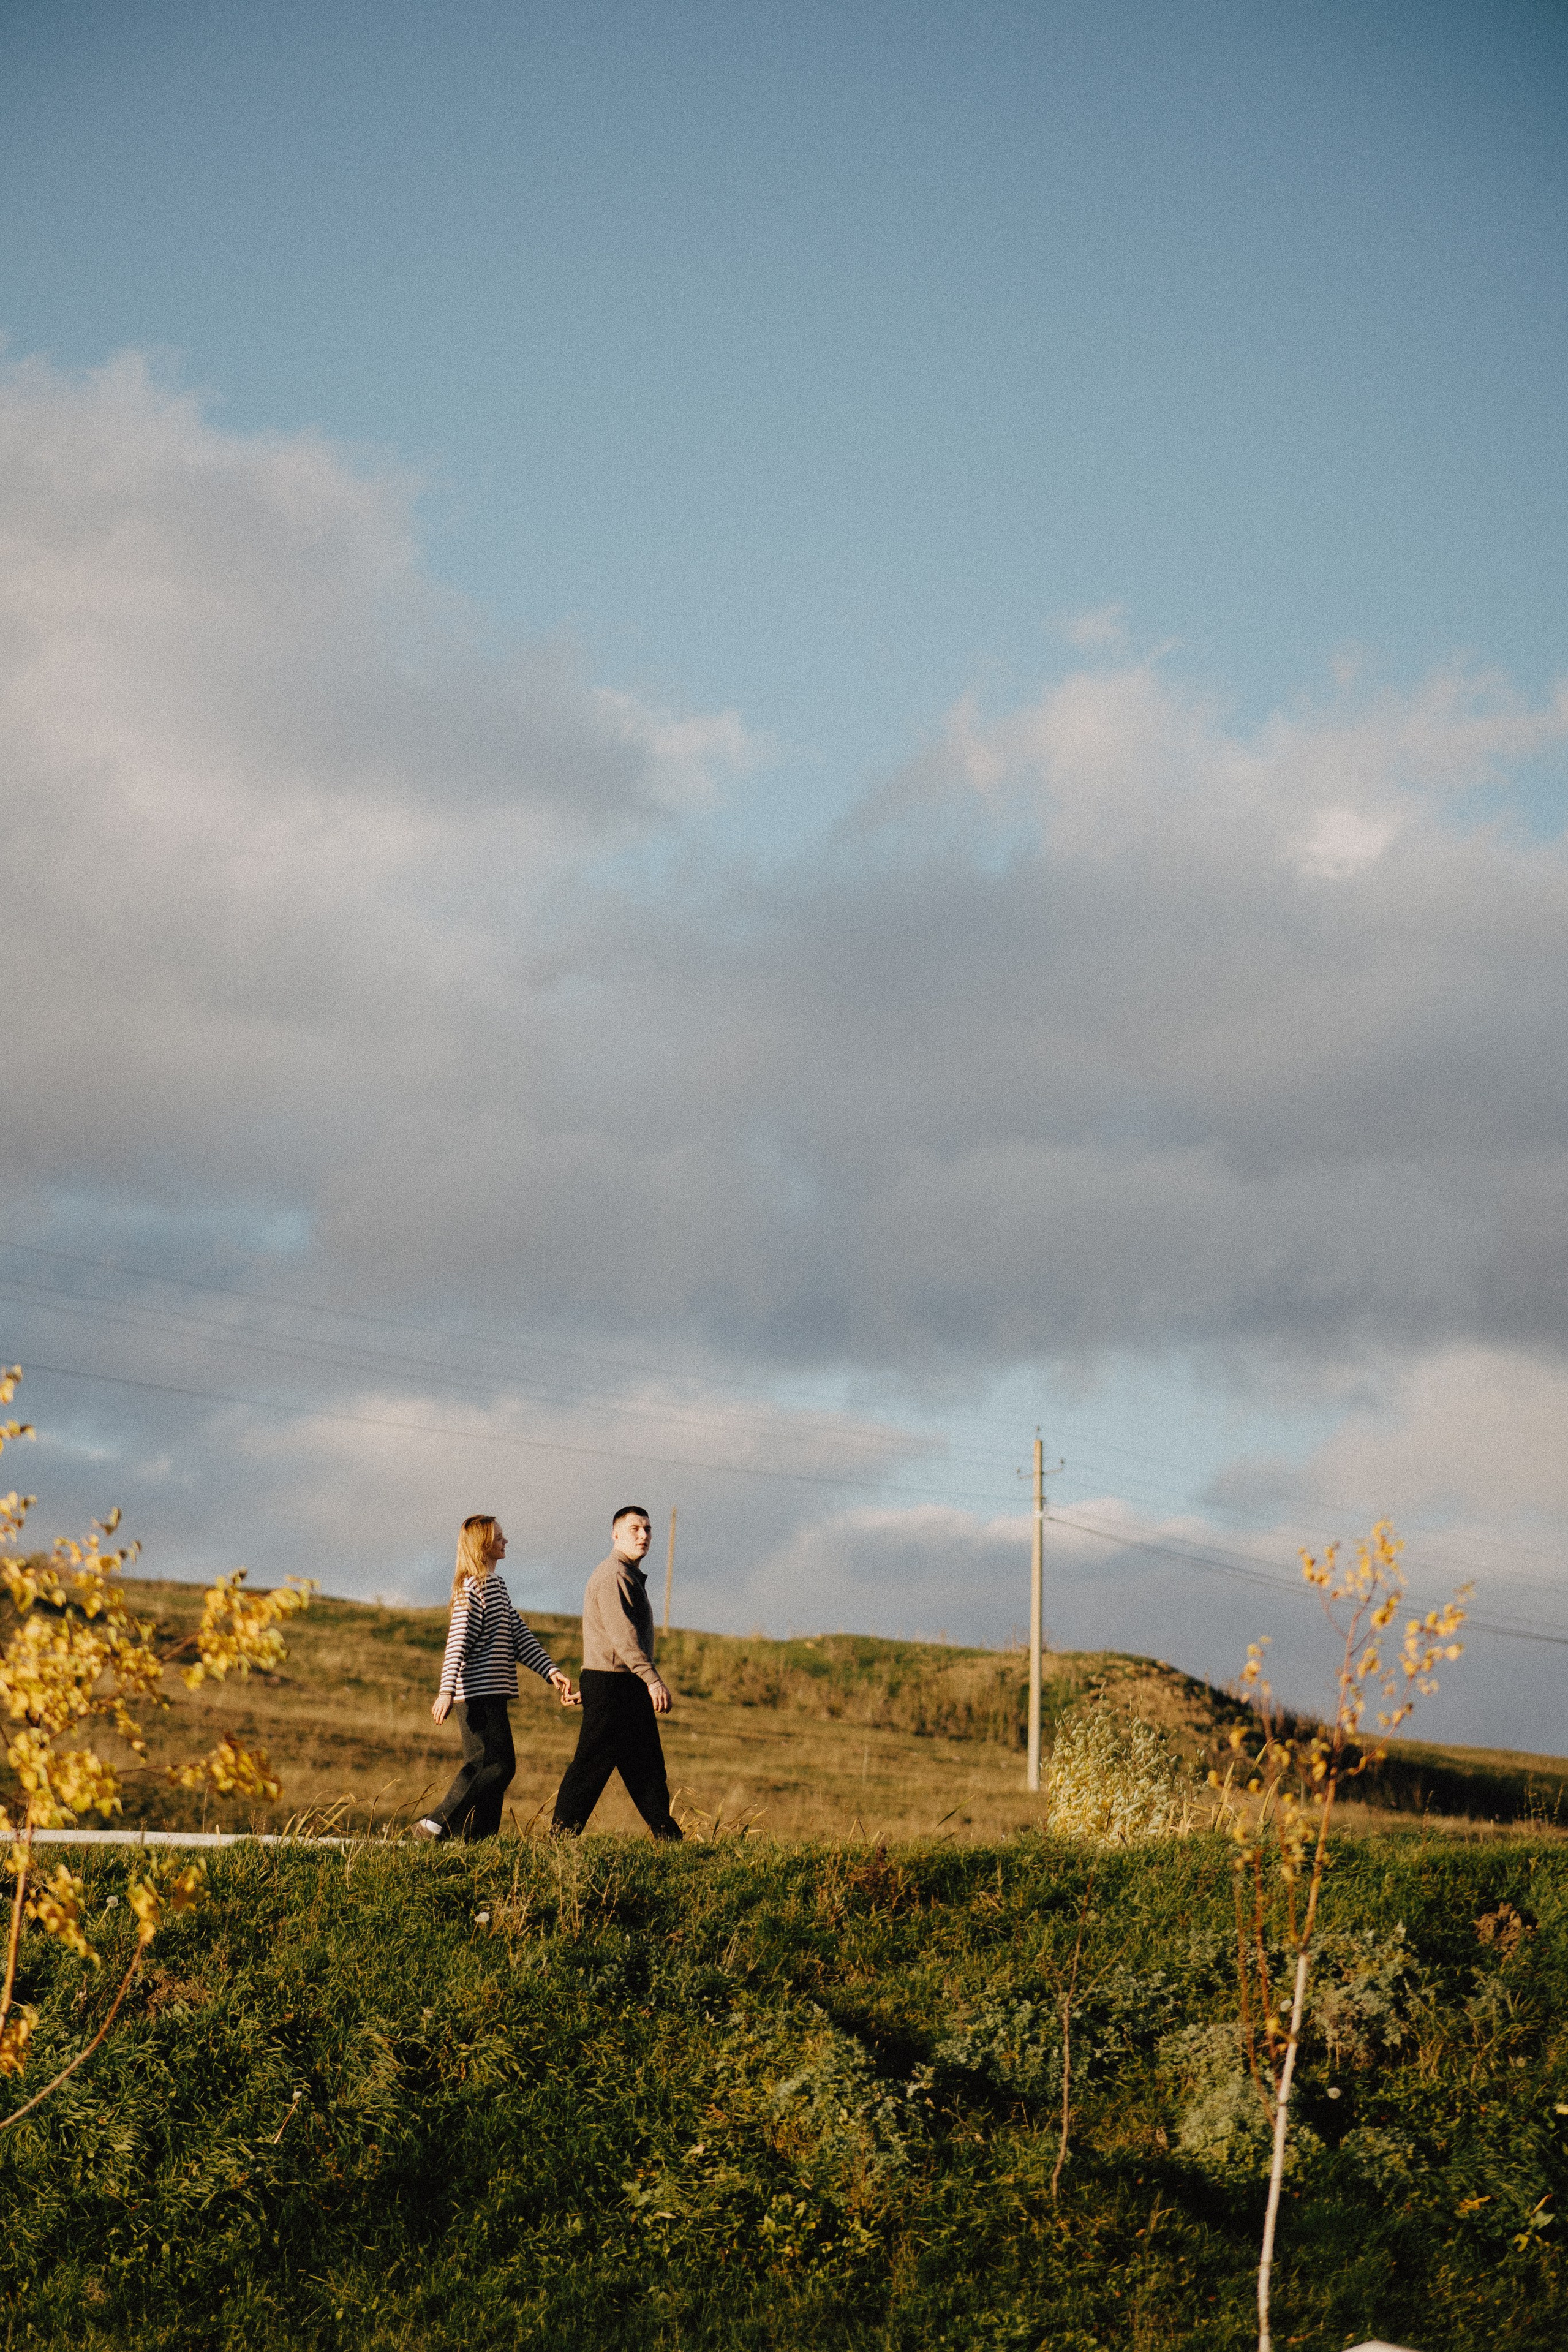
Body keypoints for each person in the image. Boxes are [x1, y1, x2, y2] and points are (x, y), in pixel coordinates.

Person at [414, 1513, 577, 1841]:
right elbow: (456, 1644)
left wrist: (551, 1671)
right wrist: (445, 1692)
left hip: (493, 1693)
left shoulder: (496, 1586)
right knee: (494, 1767)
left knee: (495, 1769)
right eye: (500, 1536)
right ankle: (434, 1824)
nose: (506, 1541)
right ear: (484, 1545)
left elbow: (518, 1635)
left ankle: (477, 1841)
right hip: (475, 1694)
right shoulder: (471, 1588)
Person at [551, 1504, 682, 1841]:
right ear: (616, 1534)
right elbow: (622, 1636)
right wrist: (651, 1679)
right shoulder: (614, 1575)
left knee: (647, 1766)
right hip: (615, 1682)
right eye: (636, 1529)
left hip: (618, 1682)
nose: (644, 1536)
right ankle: (560, 1839)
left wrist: (598, 1687)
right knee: (591, 1765)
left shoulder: (626, 1574)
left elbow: (608, 1639)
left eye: (649, 1529)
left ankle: (668, 1837)